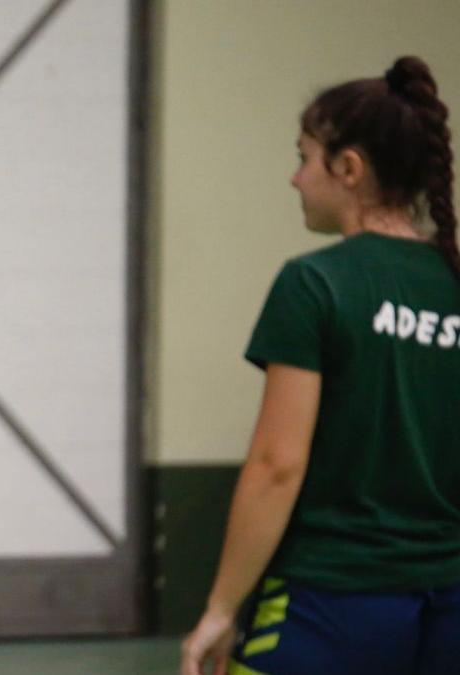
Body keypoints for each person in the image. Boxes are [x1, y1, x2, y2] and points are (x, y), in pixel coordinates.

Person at [181, 56, 460, 675]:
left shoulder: (315, 284)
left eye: (304, 157)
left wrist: (222, 609)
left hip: (331, 602)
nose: (295, 178)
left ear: (349, 168)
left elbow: (277, 465)